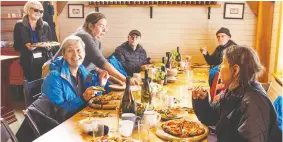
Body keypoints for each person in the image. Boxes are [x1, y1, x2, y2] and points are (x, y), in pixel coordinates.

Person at [192, 45, 282, 142]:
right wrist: (202, 101)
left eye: (223, 63)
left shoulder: (254, 103)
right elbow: (212, 117)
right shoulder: (235, 90)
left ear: (235, 70)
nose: (219, 67)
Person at [42, 35, 109, 115]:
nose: (75, 55)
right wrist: (82, 98)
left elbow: (93, 98)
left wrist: (101, 84)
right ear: (63, 54)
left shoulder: (83, 71)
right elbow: (57, 113)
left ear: (84, 53)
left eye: (78, 50)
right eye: (70, 51)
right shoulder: (54, 78)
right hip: (61, 125)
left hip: (81, 118)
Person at [74, 12, 126, 84]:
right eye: (101, 26)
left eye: (105, 27)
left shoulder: (97, 42)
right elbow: (102, 62)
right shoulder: (84, 37)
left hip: (84, 77)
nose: (104, 31)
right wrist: (126, 79)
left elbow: (94, 67)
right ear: (90, 26)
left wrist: (112, 78)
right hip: (73, 80)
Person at [13, 1, 57, 81]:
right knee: (32, 87)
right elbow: (16, 46)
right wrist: (26, 47)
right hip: (28, 62)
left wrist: (48, 47)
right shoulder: (19, 25)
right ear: (28, 10)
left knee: (46, 84)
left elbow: (52, 45)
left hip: (45, 60)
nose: (39, 13)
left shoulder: (45, 25)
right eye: (36, 10)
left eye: (41, 11)